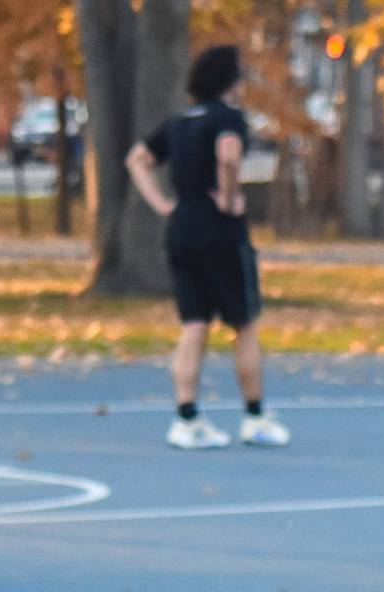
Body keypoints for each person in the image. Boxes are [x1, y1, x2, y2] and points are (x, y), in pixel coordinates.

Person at [126, 44, 289, 451]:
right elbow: (228, 156)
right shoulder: (227, 118)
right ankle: (254, 416)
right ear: (230, 81)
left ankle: (186, 418)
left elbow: (137, 159)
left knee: (194, 323)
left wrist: (163, 204)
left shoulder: (179, 122)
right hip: (220, 232)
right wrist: (229, 198)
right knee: (243, 322)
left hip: (182, 230)